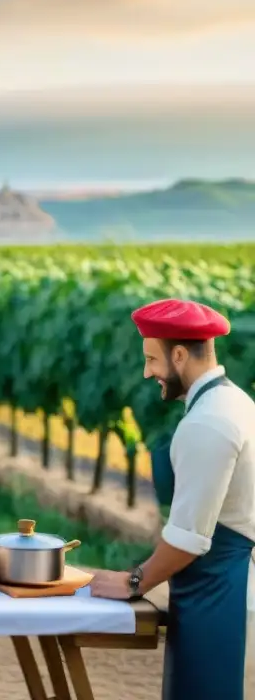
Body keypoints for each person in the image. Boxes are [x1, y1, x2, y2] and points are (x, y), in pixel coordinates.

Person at [90, 298, 255, 700]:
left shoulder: (209, 421)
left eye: (152, 359)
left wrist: (133, 581)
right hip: (216, 583)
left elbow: (188, 539)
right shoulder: (232, 401)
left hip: (217, 591)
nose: (147, 372)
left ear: (179, 355)